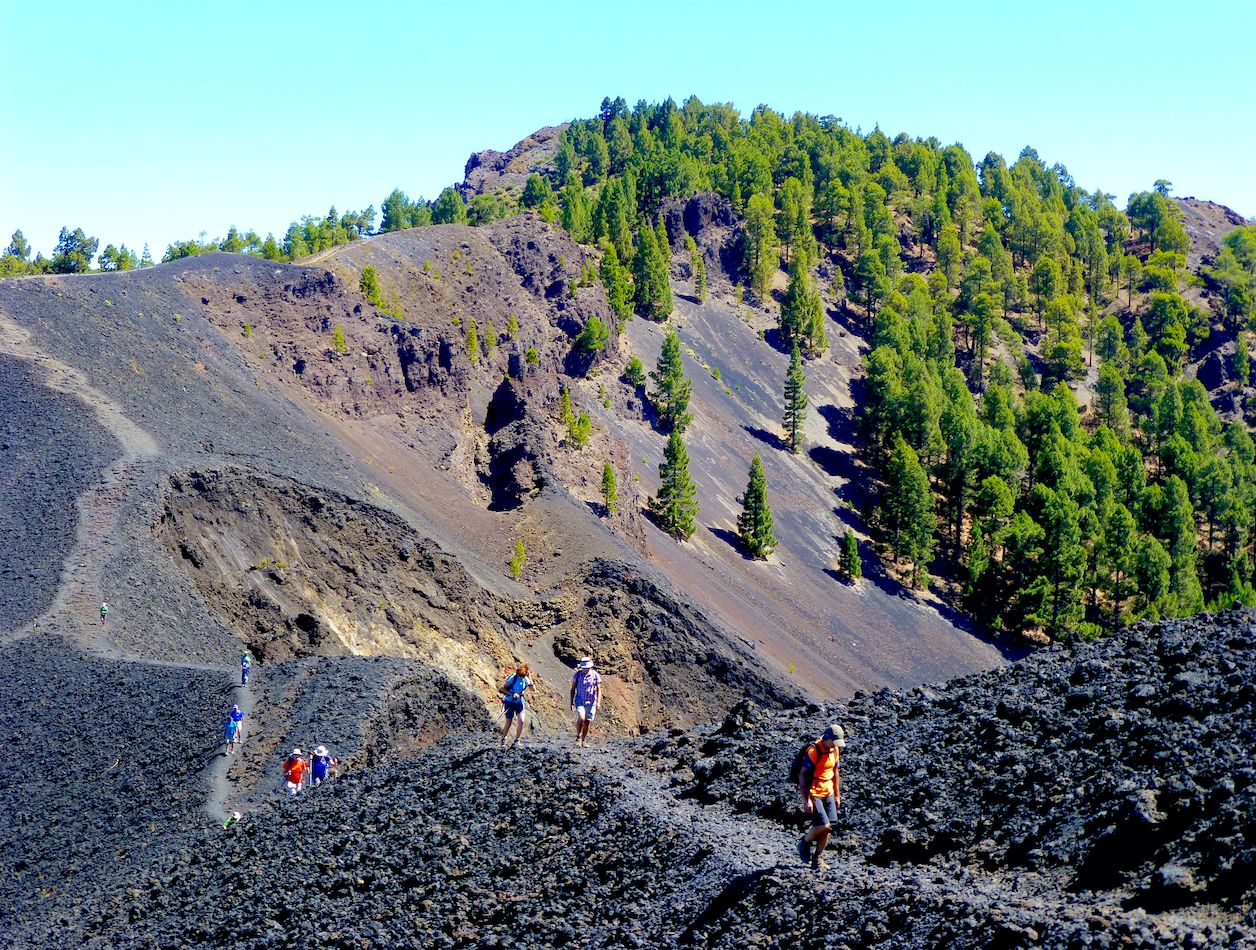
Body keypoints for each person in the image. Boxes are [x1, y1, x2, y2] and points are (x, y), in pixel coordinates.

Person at [796, 724, 845, 871]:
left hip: (828, 790)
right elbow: (803, 776)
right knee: (824, 824)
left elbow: (835, 771)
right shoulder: (813, 751)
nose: (835, 746)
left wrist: (837, 794)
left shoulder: (835, 749)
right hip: (815, 791)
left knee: (828, 828)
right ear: (827, 738)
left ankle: (817, 858)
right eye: (834, 742)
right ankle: (804, 842)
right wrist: (807, 800)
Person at [498, 663, 532, 749]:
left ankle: (517, 740)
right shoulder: (513, 678)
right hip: (509, 701)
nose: (521, 678)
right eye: (521, 676)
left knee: (522, 720)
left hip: (519, 702)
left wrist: (529, 677)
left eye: (523, 676)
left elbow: (532, 689)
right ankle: (504, 738)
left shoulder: (525, 679)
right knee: (509, 722)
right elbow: (502, 689)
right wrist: (511, 694)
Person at [569, 656, 601, 748]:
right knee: (581, 717)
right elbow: (572, 689)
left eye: (586, 667)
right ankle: (578, 736)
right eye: (583, 667)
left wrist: (598, 702)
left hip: (591, 702)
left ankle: (583, 740)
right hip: (580, 701)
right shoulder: (577, 675)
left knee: (587, 722)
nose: (585, 669)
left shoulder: (595, 675)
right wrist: (571, 702)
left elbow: (599, 689)